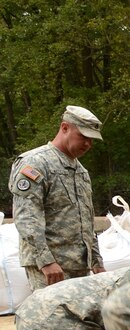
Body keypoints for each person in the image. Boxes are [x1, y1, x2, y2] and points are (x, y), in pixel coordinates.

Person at [8, 105, 105, 289]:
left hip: (79, 265)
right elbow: (26, 217)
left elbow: (86, 221)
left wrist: (96, 261)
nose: (88, 144)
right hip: (51, 267)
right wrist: (45, 261)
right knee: (53, 317)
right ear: (65, 128)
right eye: (83, 137)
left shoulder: (81, 171)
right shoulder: (35, 163)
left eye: (92, 140)